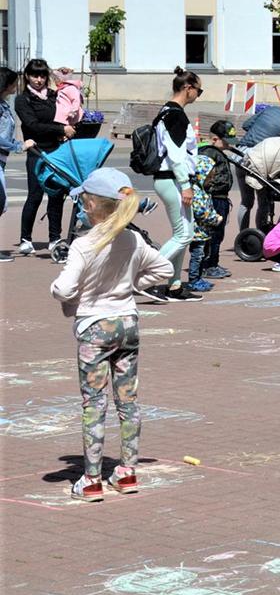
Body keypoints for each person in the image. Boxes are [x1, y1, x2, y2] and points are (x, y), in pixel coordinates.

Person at [48, 168, 171, 502]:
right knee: (128, 400)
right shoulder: (133, 239)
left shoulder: (84, 244)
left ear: (90, 205)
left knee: (94, 403)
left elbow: (65, 288)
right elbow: (165, 270)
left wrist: (58, 289)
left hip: (95, 327)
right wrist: (132, 285)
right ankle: (127, 472)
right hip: (127, 323)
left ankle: (91, 479)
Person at [149, 68, 203, 299]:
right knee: (183, 235)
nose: (198, 95)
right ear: (187, 88)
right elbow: (176, 154)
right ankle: (143, 275)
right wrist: (186, 184)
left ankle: (174, 285)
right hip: (171, 179)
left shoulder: (167, 111)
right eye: (198, 91)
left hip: (170, 179)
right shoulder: (175, 115)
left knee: (183, 233)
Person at [15, 58, 73, 260]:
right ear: (27, 76)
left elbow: (67, 108)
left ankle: (55, 238)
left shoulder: (53, 95)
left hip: (56, 150)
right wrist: (60, 129)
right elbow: (32, 125)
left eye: (42, 76)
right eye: (34, 75)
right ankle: (25, 238)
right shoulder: (23, 100)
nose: (38, 80)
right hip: (36, 151)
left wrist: (64, 77)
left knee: (57, 195)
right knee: (35, 195)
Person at [0, 68, 37, 263]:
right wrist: (19, 146)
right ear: (6, 85)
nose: (17, 85)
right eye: (14, 82)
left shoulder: (4, 105)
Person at [195, 121, 236, 281]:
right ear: (214, 139)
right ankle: (209, 265)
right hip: (214, 198)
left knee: (218, 233)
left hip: (221, 198)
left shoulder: (217, 152)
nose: (228, 145)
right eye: (225, 141)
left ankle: (213, 262)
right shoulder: (209, 153)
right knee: (214, 233)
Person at [183, 153, 223, 295]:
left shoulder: (203, 191)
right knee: (197, 256)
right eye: (209, 177)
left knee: (202, 255)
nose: (211, 180)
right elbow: (200, 212)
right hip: (197, 232)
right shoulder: (197, 192)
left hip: (203, 232)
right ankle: (193, 280)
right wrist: (214, 218)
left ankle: (198, 278)